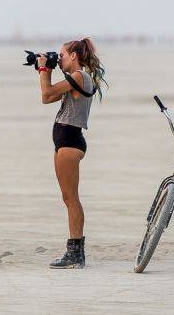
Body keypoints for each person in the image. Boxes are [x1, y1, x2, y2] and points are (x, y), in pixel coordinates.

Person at [35, 37, 107, 269]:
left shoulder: (79, 77)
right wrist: (43, 68)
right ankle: (75, 252)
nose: (60, 59)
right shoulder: (77, 79)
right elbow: (49, 97)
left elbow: (46, 94)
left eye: (62, 55)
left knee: (71, 198)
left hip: (70, 142)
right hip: (65, 141)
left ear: (74, 56)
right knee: (68, 198)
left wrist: (45, 68)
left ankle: (75, 252)